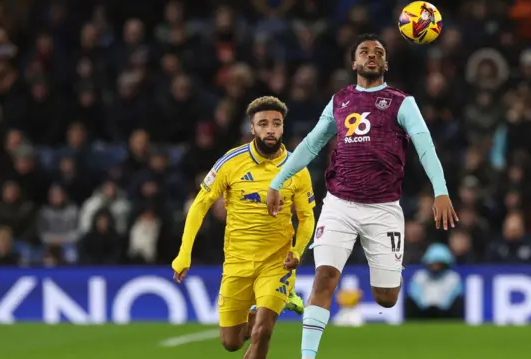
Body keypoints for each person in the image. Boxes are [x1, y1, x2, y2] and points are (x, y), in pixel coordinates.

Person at [265, 33, 457, 359]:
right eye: (364, 52)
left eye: (378, 52)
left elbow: (425, 146)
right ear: (354, 63)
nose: (372, 56)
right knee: (324, 278)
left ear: (386, 63)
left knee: (386, 298)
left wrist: (441, 191)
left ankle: (386, 271)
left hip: (383, 209)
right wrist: (278, 181)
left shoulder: (401, 102)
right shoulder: (340, 100)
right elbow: (312, 143)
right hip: (340, 203)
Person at [171, 96, 316, 359]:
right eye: (263, 124)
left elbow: (307, 218)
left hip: (276, 263)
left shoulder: (297, 168)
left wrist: (297, 251)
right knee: (231, 343)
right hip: (238, 262)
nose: (270, 129)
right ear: (252, 128)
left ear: (283, 128)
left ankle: (272, 306)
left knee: (262, 332)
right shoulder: (231, 162)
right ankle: (261, 311)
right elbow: (199, 205)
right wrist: (184, 253)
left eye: (276, 123)